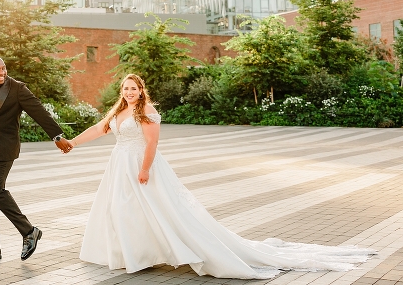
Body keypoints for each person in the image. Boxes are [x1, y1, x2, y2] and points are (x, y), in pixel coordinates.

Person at [66, 74, 375, 279]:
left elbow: (152, 143)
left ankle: (154, 253)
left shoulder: (146, 111)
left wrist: (145, 169)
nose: (129, 92)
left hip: (139, 165)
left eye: (133, 88)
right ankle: (132, 254)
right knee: (122, 210)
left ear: (141, 90)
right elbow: (98, 130)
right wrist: (73, 143)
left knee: (159, 211)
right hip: (118, 167)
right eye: (125, 88)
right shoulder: (117, 111)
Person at [0, 55, 73, 261]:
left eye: (3, 68)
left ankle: (29, 231)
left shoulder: (16, 88)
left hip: (3, 147)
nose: (2, 72)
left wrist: (56, 136)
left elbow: (38, 111)